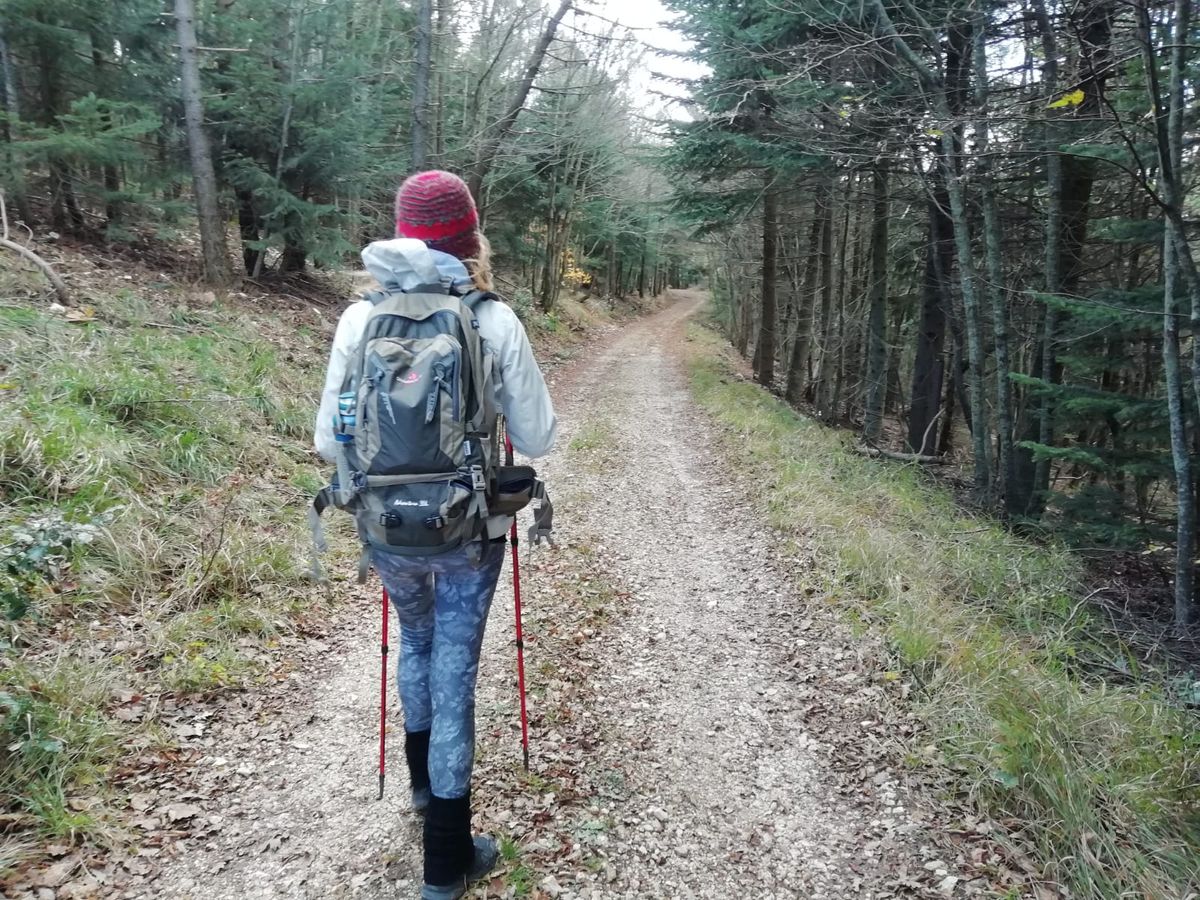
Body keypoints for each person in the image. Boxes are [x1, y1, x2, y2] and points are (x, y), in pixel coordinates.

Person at [314, 170, 557, 899]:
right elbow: (539, 433)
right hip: (467, 531)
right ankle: (447, 857)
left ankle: (422, 790)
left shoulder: (361, 320)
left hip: (387, 527)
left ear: (400, 234)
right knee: (455, 669)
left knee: (412, 645)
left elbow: (330, 439)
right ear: (468, 237)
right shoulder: (491, 318)